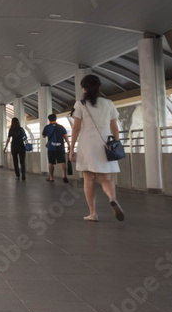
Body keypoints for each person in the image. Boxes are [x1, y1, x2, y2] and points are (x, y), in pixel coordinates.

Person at [70, 74, 125, 222]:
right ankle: (112, 198)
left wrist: (71, 149)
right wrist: (116, 144)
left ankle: (93, 213)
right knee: (105, 178)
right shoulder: (108, 103)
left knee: (88, 179)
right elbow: (115, 127)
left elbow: (76, 128)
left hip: (87, 143)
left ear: (83, 88)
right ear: (99, 87)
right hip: (106, 143)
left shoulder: (80, 104)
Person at [42, 114, 70, 183]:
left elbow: (43, 136)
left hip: (51, 148)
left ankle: (51, 178)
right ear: (56, 119)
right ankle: (64, 176)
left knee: (51, 162)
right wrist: (69, 145)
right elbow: (66, 137)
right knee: (62, 162)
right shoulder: (61, 127)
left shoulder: (47, 127)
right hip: (60, 147)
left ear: (49, 119)